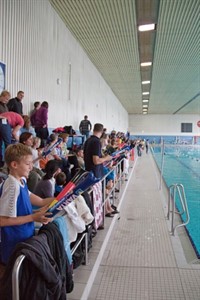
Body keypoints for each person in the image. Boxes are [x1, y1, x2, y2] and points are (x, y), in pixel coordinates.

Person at [0, 143, 53, 265]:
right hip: (14, 241)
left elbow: (40, 201)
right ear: (14, 165)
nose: (31, 167)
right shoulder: (12, 186)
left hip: (24, 235)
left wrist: (59, 198)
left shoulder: (21, 181)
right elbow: (3, 221)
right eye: (28, 164)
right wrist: (33, 217)